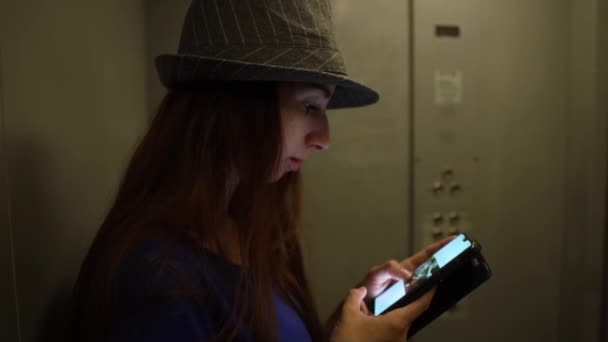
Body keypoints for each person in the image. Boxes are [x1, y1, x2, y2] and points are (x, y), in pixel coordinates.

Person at [72, 0, 451, 341]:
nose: (324, 137)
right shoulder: (156, 281)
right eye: (308, 107)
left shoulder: (242, 226)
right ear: (236, 105)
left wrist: (349, 322)